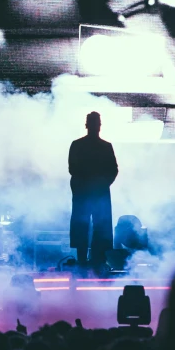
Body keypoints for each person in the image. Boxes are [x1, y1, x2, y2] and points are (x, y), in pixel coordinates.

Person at [68, 111, 118, 270]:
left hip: (84, 193)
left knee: (83, 225)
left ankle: (83, 259)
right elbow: (113, 170)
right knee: (99, 225)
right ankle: (97, 259)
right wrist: (103, 184)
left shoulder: (77, 145)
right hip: (98, 192)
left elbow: (72, 169)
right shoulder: (105, 146)